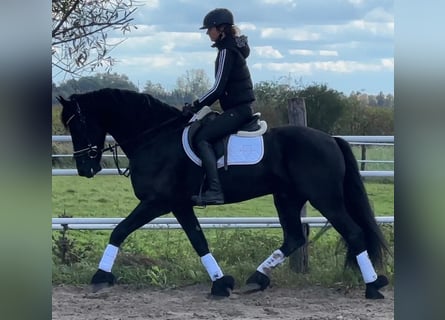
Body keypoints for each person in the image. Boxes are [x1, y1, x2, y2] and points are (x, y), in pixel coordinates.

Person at [188, 8, 255, 205]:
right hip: (240, 108)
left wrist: (195, 106)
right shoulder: (233, 47)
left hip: (237, 110)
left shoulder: (226, 51)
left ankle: (215, 191)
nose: (208, 33)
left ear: (221, 29)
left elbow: (218, 89)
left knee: (202, 138)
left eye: (210, 29)